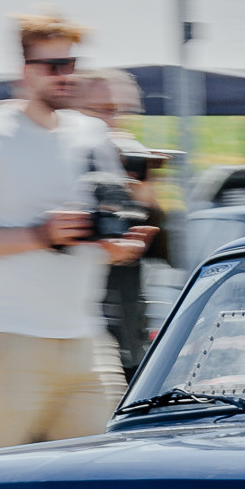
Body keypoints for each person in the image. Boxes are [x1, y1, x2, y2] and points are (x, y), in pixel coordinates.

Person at [0, 11, 155, 449]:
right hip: (7, 337)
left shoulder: (90, 134)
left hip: (84, 338)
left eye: (70, 65)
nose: (64, 76)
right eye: (52, 67)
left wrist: (116, 246)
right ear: (22, 72)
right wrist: (39, 234)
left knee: (99, 484)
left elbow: (91, 235)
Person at [74, 67, 171, 377]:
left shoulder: (125, 155)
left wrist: (144, 193)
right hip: (74, 324)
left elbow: (161, 250)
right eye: (104, 110)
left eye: (122, 111)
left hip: (126, 328)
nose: (113, 120)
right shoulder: (61, 160)